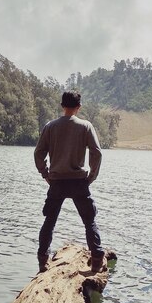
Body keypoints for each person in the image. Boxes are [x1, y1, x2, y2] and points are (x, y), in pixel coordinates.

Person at [34, 91, 105, 273]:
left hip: (56, 181)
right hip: (78, 182)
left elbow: (38, 153)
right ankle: (96, 260)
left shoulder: (51, 126)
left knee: (49, 221)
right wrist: (91, 177)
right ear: (78, 107)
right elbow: (96, 153)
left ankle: (43, 261)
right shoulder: (85, 126)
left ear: (62, 106)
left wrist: (45, 173)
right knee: (89, 221)